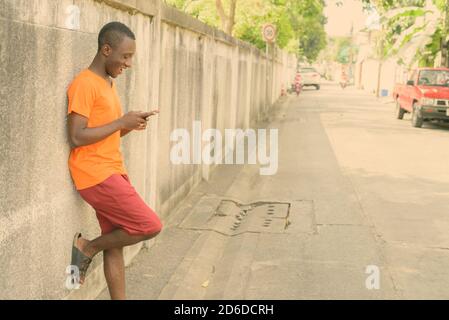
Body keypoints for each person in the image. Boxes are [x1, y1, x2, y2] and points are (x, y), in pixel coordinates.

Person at [66, 21, 162, 300]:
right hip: (96, 175)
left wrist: (127, 125)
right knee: (149, 225)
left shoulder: (106, 84)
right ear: (106, 50)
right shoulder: (85, 83)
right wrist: (121, 121)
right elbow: (76, 136)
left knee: (116, 244)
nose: (129, 63)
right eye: (126, 56)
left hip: (111, 171)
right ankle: (88, 247)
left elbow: (105, 134)